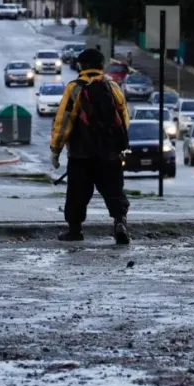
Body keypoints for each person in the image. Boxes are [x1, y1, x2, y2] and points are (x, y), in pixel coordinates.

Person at [50, 48, 131, 244]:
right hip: (110, 153)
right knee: (114, 190)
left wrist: (56, 149)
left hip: (81, 154)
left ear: (81, 66)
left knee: (77, 193)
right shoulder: (113, 87)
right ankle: (120, 222)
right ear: (102, 66)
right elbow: (124, 118)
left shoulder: (75, 88)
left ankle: (75, 230)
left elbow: (64, 121)